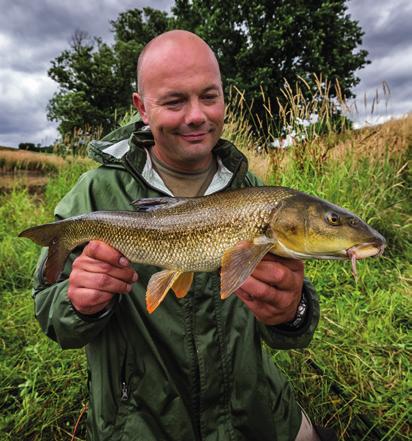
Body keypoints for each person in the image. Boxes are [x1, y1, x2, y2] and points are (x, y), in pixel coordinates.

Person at [33, 30, 336, 441]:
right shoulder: (92, 195)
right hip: (140, 426)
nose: (197, 115)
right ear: (142, 107)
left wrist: (292, 311)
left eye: (209, 96)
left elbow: (289, 330)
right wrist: (79, 304)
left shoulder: (256, 193)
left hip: (253, 419)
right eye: (175, 101)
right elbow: (49, 312)